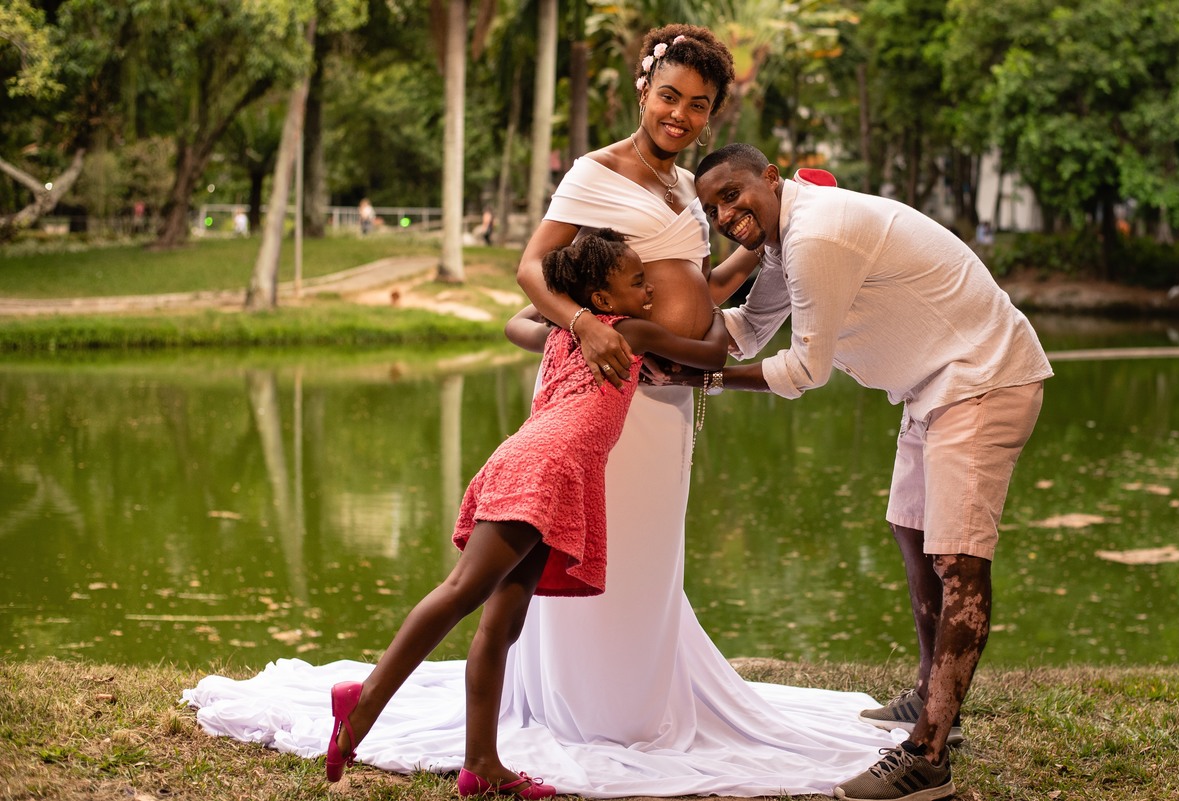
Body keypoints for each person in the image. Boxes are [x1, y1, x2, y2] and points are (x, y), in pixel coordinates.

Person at [183, 25, 897, 797]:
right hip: (595, 401)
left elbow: (700, 289)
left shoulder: (687, 189)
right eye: (669, 96)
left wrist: (772, 232)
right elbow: (531, 269)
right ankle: (568, 712)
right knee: (515, 583)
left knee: (587, 575)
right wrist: (587, 325)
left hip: (654, 405)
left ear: (711, 114)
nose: (680, 115)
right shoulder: (596, 173)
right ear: (642, 90)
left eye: (698, 105)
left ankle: (574, 723)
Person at [665, 142, 1053, 801]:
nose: (727, 214)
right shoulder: (785, 243)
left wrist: (709, 378)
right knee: (911, 532)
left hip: (982, 378)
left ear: (770, 176)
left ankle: (928, 755)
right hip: (929, 387)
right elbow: (753, 328)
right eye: (714, 209)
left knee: (959, 562)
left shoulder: (816, 235)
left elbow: (805, 371)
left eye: (733, 195)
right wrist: (660, 338)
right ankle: (936, 697)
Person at [324, 229, 729, 797]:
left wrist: (569, 309)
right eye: (638, 282)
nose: (650, 291)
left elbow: (520, 319)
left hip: (547, 463)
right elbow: (713, 354)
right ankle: (361, 703)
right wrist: (710, 309)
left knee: (503, 620)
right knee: (463, 590)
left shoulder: (559, 331)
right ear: (604, 300)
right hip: (547, 465)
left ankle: (480, 766)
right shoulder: (631, 332)